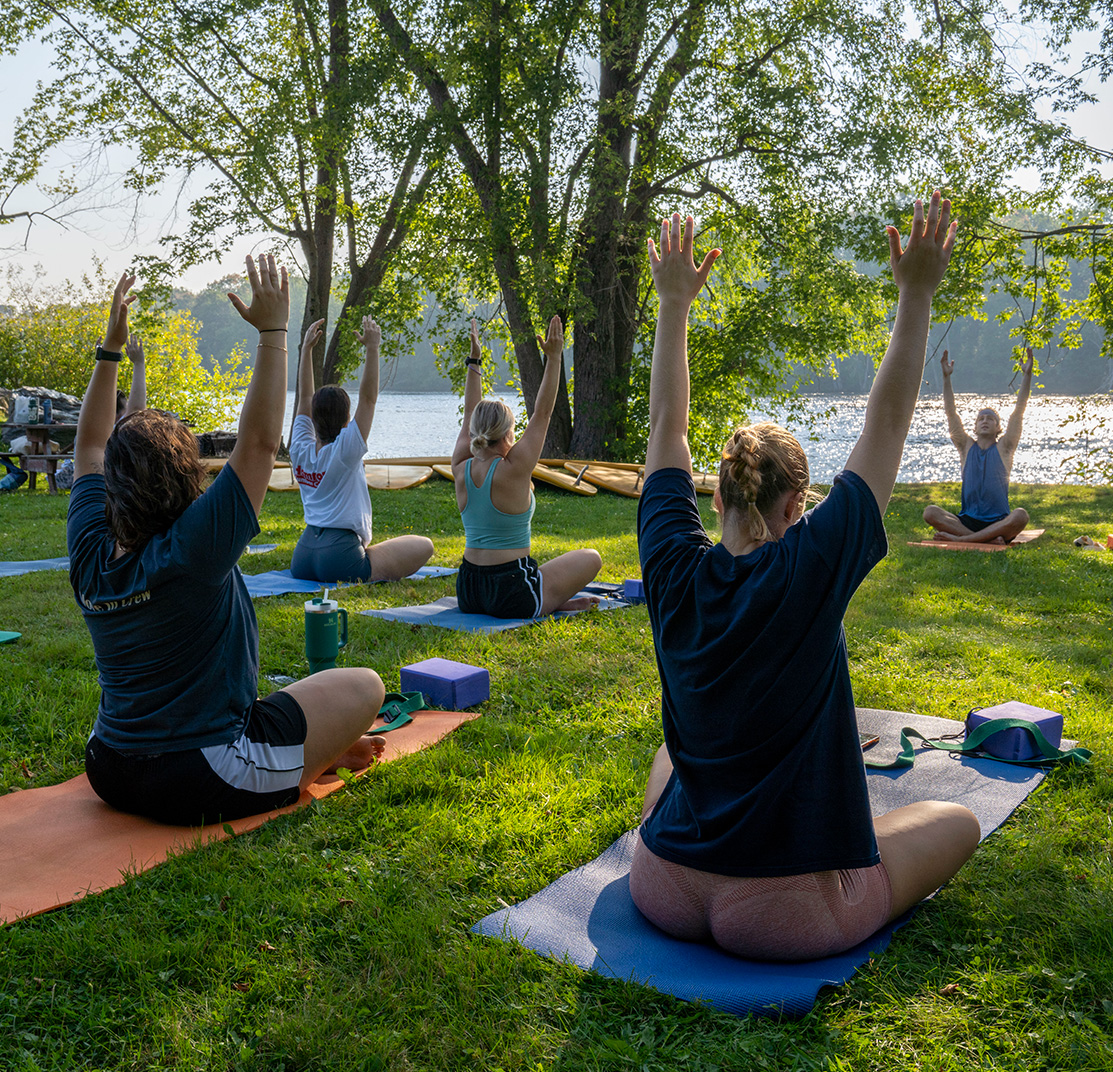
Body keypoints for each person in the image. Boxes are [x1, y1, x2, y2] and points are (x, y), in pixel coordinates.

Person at [631, 198, 980, 962]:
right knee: (956, 821)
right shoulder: (812, 565)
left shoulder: (668, 561)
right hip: (783, 914)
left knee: (667, 764)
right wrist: (915, 292)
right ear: (797, 505)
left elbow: (665, 428)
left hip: (661, 886)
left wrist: (672, 304)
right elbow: (885, 426)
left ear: (714, 496)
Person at [68, 257, 386, 827]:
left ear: (113, 487)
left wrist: (109, 352)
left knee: (312, 701)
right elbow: (260, 445)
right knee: (365, 685)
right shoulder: (195, 548)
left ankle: (311, 750)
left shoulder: (91, 551)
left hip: (109, 765)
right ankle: (312, 758)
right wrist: (272, 334)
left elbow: (89, 447)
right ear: (186, 478)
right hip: (199, 774)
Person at [450, 317, 601, 618]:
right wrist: (555, 357)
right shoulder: (515, 468)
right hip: (511, 592)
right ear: (508, 434)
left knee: (545, 574)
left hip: (468, 590)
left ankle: (554, 601)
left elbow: (470, 413)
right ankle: (548, 602)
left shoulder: (460, 466)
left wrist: (474, 361)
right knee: (591, 558)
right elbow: (543, 413)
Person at [289, 316, 434, 582]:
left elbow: (304, 400)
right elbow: (368, 399)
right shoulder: (345, 450)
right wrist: (372, 348)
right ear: (346, 421)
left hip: (303, 556)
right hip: (340, 557)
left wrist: (306, 351)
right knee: (425, 545)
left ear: (312, 417)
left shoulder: (299, 449)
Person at [922, 347, 1033, 543]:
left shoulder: (1005, 447)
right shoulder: (965, 446)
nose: (985, 421)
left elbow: (1019, 411)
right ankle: (985, 540)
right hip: (967, 521)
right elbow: (951, 413)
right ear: (974, 426)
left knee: (1021, 515)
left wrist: (1027, 375)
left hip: (999, 522)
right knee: (930, 512)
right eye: (980, 418)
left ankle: (963, 540)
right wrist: (946, 379)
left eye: (990, 419)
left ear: (998, 427)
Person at [57, 333, 147, 492]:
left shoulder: (87, 439)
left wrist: (104, 360)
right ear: (118, 414)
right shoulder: (121, 433)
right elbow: (136, 411)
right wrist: (139, 363)